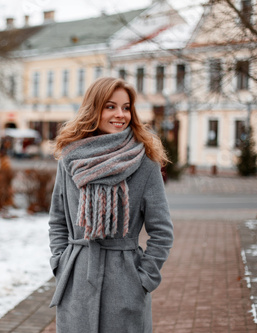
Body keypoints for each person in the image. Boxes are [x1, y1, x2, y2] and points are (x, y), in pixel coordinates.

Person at [48, 77, 174, 332]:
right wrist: (60, 263)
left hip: (125, 282)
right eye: (110, 106)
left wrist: (143, 279)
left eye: (126, 107)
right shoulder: (70, 159)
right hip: (77, 279)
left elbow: (162, 232)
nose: (120, 114)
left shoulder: (146, 163)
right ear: (94, 109)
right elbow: (58, 219)